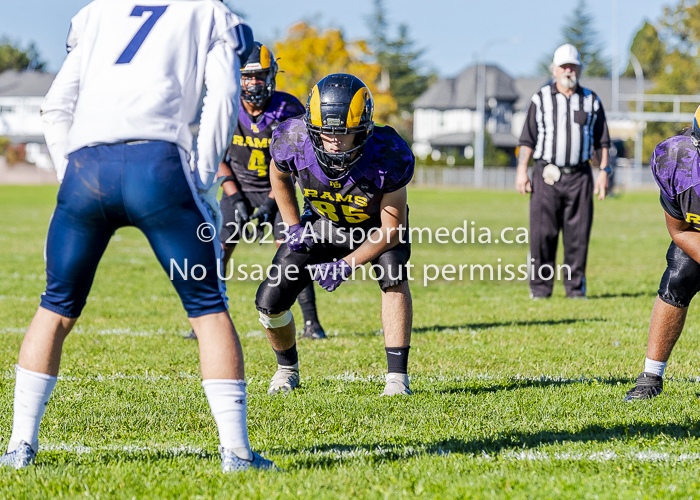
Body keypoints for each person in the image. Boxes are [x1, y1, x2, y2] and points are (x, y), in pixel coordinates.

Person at [0, 0, 276, 472]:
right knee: (209, 310)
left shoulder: (96, 11)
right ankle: (237, 453)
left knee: (55, 307)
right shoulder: (208, 11)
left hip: (87, 167)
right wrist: (204, 174)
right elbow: (225, 92)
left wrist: (72, 171)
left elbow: (55, 105)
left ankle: (18, 447)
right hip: (158, 163)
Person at [255, 73, 415, 397]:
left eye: (345, 133)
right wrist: (293, 226)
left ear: (365, 129)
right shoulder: (292, 137)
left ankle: (397, 378)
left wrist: (346, 265)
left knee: (392, 274)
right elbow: (278, 173)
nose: (334, 142)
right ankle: (287, 369)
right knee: (269, 302)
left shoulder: (389, 153)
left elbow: (391, 230)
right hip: (321, 222)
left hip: (374, 228)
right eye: (326, 132)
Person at [185, 42, 326, 341]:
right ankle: (205, 319)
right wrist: (233, 195)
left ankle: (312, 322)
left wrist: (270, 204)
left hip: (280, 190)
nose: (253, 83)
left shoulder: (289, 109)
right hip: (238, 188)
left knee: (292, 251)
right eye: (247, 77)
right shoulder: (226, 107)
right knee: (217, 250)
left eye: (259, 76)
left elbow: (298, 160)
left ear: (272, 75)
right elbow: (214, 154)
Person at [516, 43, 612, 299]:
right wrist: (521, 171)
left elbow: (603, 141)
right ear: (554, 70)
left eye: (573, 66)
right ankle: (540, 290)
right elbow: (527, 139)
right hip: (546, 175)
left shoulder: (591, 100)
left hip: (580, 176)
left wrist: (603, 172)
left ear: (579, 69)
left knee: (577, 236)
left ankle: (575, 289)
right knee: (542, 235)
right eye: (564, 66)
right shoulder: (541, 99)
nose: (568, 70)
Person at [624, 107, 700, 400]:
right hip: (696, 231)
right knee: (678, 277)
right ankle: (651, 375)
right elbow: (679, 230)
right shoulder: (676, 161)